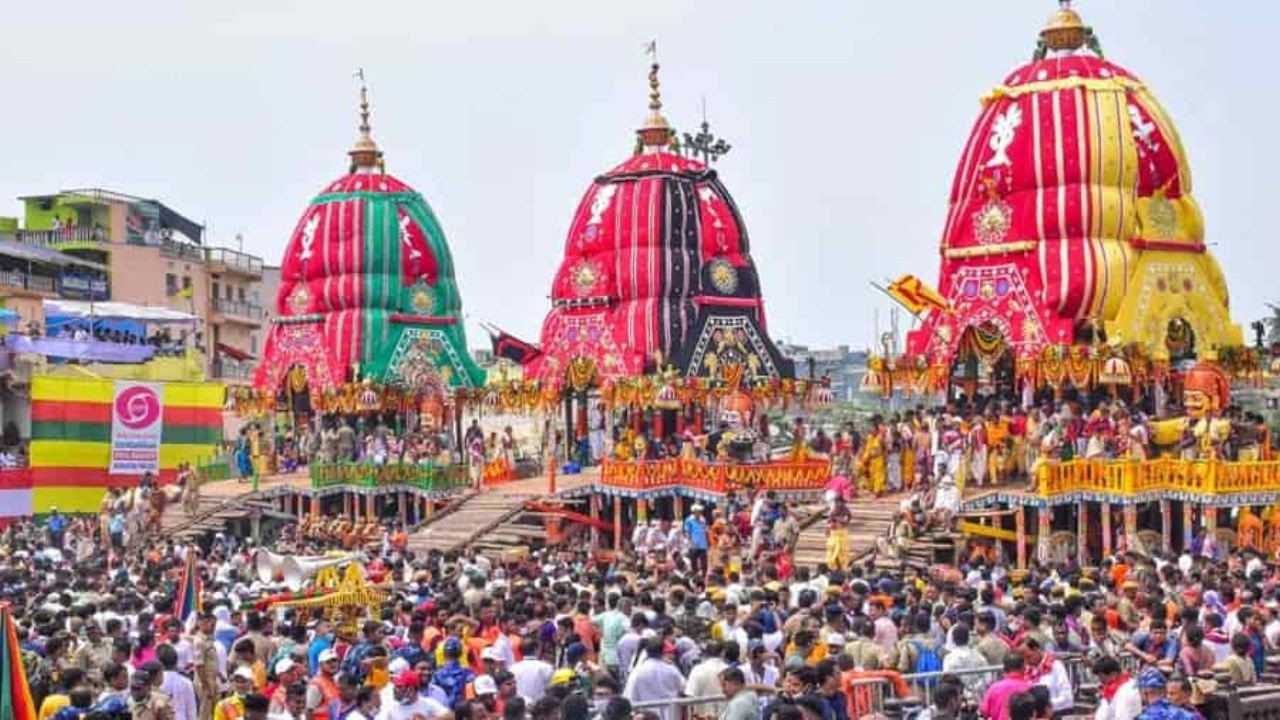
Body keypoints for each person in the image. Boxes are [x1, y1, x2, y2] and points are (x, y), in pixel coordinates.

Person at [623, 638, 686, 720]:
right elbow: (684, 688)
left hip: (646, 716)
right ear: (663, 650)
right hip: (670, 715)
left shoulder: (637, 671)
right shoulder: (671, 669)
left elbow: (628, 695)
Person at [980, 652, 1032, 720]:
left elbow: (984, 712)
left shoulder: (994, 688)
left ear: (1004, 668)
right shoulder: (1030, 688)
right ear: (1023, 667)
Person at [1093, 656, 1141, 720]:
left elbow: (1123, 717)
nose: (1100, 680)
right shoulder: (1112, 687)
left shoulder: (1126, 690)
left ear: (1113, 674)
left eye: (1101, 677)